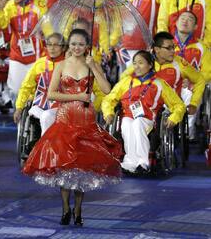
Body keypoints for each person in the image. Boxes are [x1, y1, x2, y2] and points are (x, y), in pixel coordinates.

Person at [22, 29, 121, 227]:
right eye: (74, 44)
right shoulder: (60, 66)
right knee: (65, 166)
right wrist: (77, 96)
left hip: (86, 119)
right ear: (69, 45)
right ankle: (66, 208)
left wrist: (95, 68)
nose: (77, 47)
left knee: (82, 167)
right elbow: (51, 95)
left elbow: (107, 89)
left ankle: (78, 209)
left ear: (87, 46)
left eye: (81, 44)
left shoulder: (92, 64)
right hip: (66, 118)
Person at [102, 51, 186, 174]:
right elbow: (109, 99)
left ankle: (143, 162)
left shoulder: (159, 84)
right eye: (134, 63)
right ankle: (130, 162)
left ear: (150, 65)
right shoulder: (126, 82)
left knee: (138, 123)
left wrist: (174, 118)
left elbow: (179, 104)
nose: (137, 66)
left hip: (148, 119)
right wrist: (108, 113)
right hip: (128, 116)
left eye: (141, 63)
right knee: (126, 123)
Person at [14, 33, 66, 135]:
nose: (52, 48)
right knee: (45, 117)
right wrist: (19, 108)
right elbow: (26, 87)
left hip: (63, 106)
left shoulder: (69, 64)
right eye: (49, 44)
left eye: (56, 45)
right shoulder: (39, 64)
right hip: (41, 106)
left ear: (63, 47)